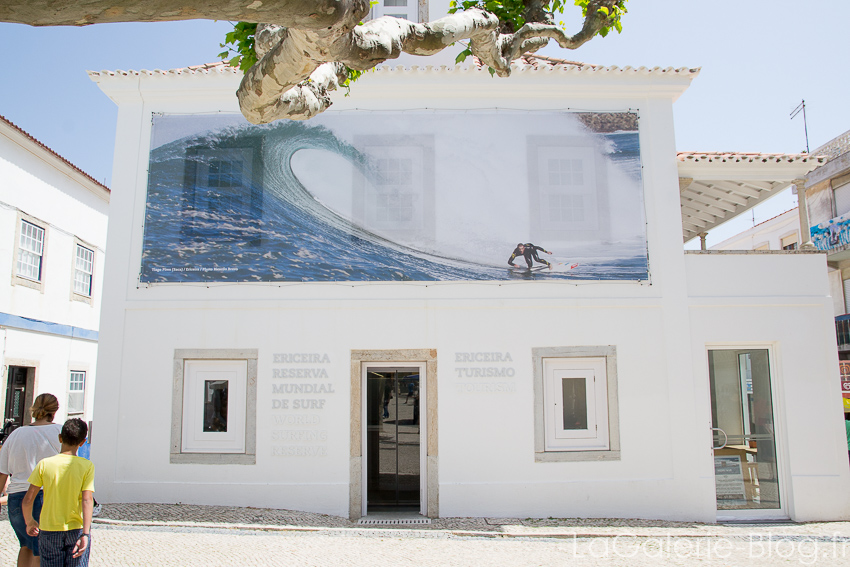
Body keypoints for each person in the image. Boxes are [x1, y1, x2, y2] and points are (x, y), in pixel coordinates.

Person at [0, 393, 62, 567]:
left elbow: (2, 472)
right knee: (39, 548)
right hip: (44, 496)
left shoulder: (16, 434)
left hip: (16, 499)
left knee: (25, 545)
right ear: (55, 411)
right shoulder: (60, 433)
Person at [23, 418, 95, 567]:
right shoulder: (86, 466)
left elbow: (28, 499)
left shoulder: (45, 464)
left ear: (60, 438)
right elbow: (87, 500)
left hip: (49, 528)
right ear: (83, 442)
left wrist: (30, 521)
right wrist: (86, 533)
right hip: (76, 528)